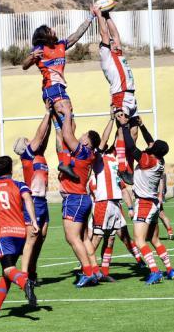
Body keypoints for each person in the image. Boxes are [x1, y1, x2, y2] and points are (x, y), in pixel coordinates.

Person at [57, 105, 114, 288]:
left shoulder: (83, 151)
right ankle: (95, 269)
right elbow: (103, 140)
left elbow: (67, 135)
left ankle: (88, 272)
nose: (80, 136)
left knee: (72, 238)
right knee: (83, 238)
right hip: (83, 199)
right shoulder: (92, 153)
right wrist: (111, 119)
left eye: (83, 136)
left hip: (74, 198)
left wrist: (67, 114)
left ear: (87, 142)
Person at [117, 112, 174, 285]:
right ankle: (170, 270)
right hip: (154, 204)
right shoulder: (159, 160)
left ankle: (155, 271)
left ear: (153, 150)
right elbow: (150, 142)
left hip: (144, 203)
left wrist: (125, 126)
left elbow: (131, 148)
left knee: (139, 240)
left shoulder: (148, 160)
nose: (151, 144)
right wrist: (141, 126)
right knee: (154, 239)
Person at [0, 156, 39, 319]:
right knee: (6, 272)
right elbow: (28, 200)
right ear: (11, 169)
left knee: (8, 269)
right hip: (20, 232)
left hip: (3, 234)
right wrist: (33, 221)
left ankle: (24, 282)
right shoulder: (20, 185)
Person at [21, 16, 95, 146]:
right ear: (45, 36)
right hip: (53, 89)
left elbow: (76, 35)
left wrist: (91, 17)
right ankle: (71, 158)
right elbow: (24, 65)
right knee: (70, 125)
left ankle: (63, 161)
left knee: (61, 130)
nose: (53, 30)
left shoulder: (61, 45)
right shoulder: (40, 49)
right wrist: (31, 57)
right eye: (49, 30)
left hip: (57, 89)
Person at [94, 5, 139, 185]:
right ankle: (122, 168)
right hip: (120, 95)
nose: (113, 42)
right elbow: (105, 35)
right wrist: (99, 16)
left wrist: (108, 15)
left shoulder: (117, 53)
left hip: (131, 96)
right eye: (110, 43)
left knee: (134, 132)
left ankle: (126, 162)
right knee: (122, 129)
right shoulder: (106, 57)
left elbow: (116, 35)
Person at [13, 107, 52, 287]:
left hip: (42, 201)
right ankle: (24, 276)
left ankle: (32, 271)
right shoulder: (28, 155)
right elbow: (39, 134)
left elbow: (44, 136)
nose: (33, 141)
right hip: (34, 200)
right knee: (32, 238)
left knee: (41, 238)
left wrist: (51, 119)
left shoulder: (39, 155)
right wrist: (46, 113)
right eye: (28, 141)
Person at [86, 143, 137, 282]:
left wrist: (130, 208)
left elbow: (123, 188)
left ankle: (104, 272)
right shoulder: (101, 159)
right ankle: (87, 270)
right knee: (96, 238)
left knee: (111, 239)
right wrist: (114, 121)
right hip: (102, 204)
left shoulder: (116, 163)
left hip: (114, 204)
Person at [157, 174, 174, 240]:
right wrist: (161, 195)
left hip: (150, 195)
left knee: (149, 217)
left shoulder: (148, 169)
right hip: (156, 194)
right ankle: (170, 233)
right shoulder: (157, 169)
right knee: (162, 215)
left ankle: (150, 235)